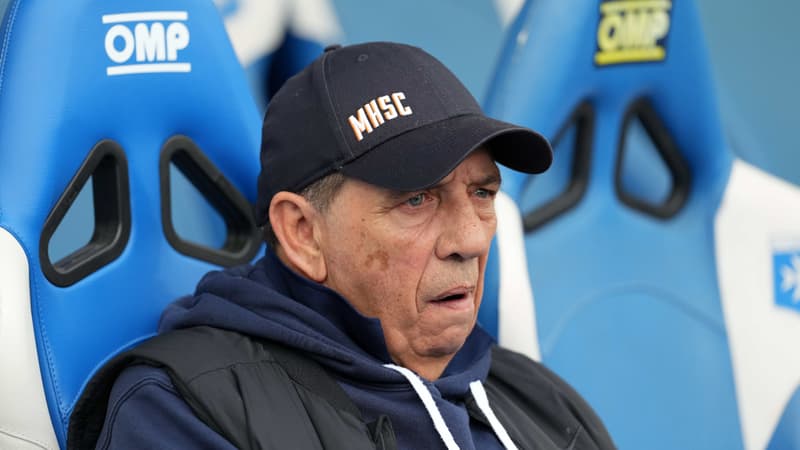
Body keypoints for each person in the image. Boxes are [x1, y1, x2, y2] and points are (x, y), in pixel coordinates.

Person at [68, 42, 615, 450]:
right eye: (417, 200)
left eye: (482, 193)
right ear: (303, 233)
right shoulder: (184, 408)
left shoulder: (540, 399)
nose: (470, 239)